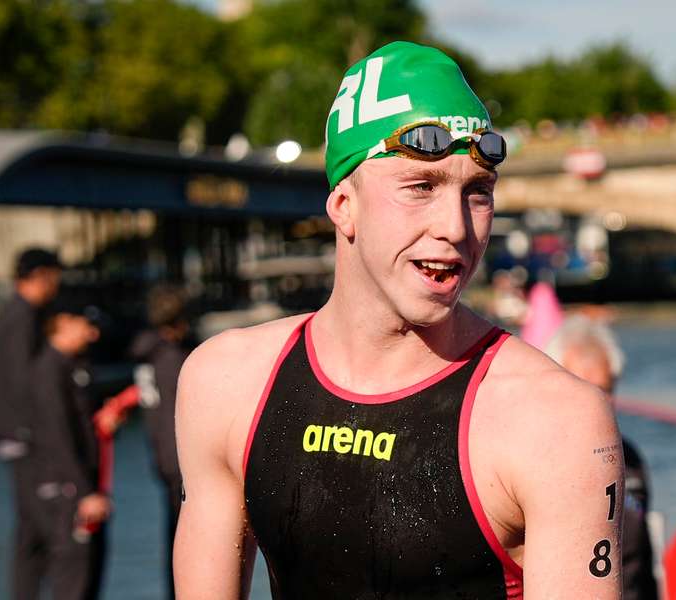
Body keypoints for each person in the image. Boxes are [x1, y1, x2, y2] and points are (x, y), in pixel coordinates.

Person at [174, 42, 623, 598]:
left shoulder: (555, 419)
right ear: (344, 206)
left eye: (478, 193)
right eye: (421, 187)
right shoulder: (224, 382)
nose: (456, 228)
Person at [546, 315, 660, 600]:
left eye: (607, 389)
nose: (600, 402)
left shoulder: (630, 459)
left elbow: (644, 563)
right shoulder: (534, 464)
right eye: (587, 389)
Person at [0, 247, 62, 599]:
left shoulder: (13, 312)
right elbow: (23, 379)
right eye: (55, 276)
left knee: (29, 532)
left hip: (14, 433)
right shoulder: (24, 316)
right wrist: (40, 431)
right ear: (41, 275)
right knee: (46, 527)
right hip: (24, 435)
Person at [27, 297, 110, 599]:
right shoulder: (48, 371)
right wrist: (83, 492)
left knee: (89, 578)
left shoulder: (74, 365)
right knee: (73, 582)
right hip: (67, 495)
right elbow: (56, 436)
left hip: (85, 489)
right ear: (63, 322)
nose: (93, 334)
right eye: (86, 325)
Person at [128, 284, 190, 599]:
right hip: (180, 461)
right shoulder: (173, 359)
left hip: (161, 457)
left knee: (175, 539)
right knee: (190, 544)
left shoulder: (146, 356)